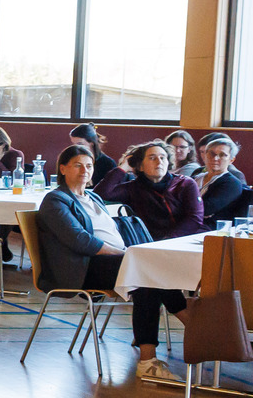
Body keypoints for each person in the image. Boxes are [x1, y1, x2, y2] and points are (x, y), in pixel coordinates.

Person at [38, 145, 189, 384]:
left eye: (89, 166)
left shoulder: (93, 197)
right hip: (83, 267)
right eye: (78, 165)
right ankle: (152, 358)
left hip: (113, 260)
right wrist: (125, 254)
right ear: (63, 168)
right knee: (145, 276)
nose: (84, 170)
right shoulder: (55, 200)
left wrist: (129, 255)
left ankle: (189, 326)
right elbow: (80, 240)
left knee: (153, 271)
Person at [194, 133, 247, 226]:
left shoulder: (232, 183)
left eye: (222, 155)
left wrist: (183, 205)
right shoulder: (196, 175)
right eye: (211, 153)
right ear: (205, 155)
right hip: (187, 224)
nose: (215, 158)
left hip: (209, 229)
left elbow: (206, 209)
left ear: (231, 160)